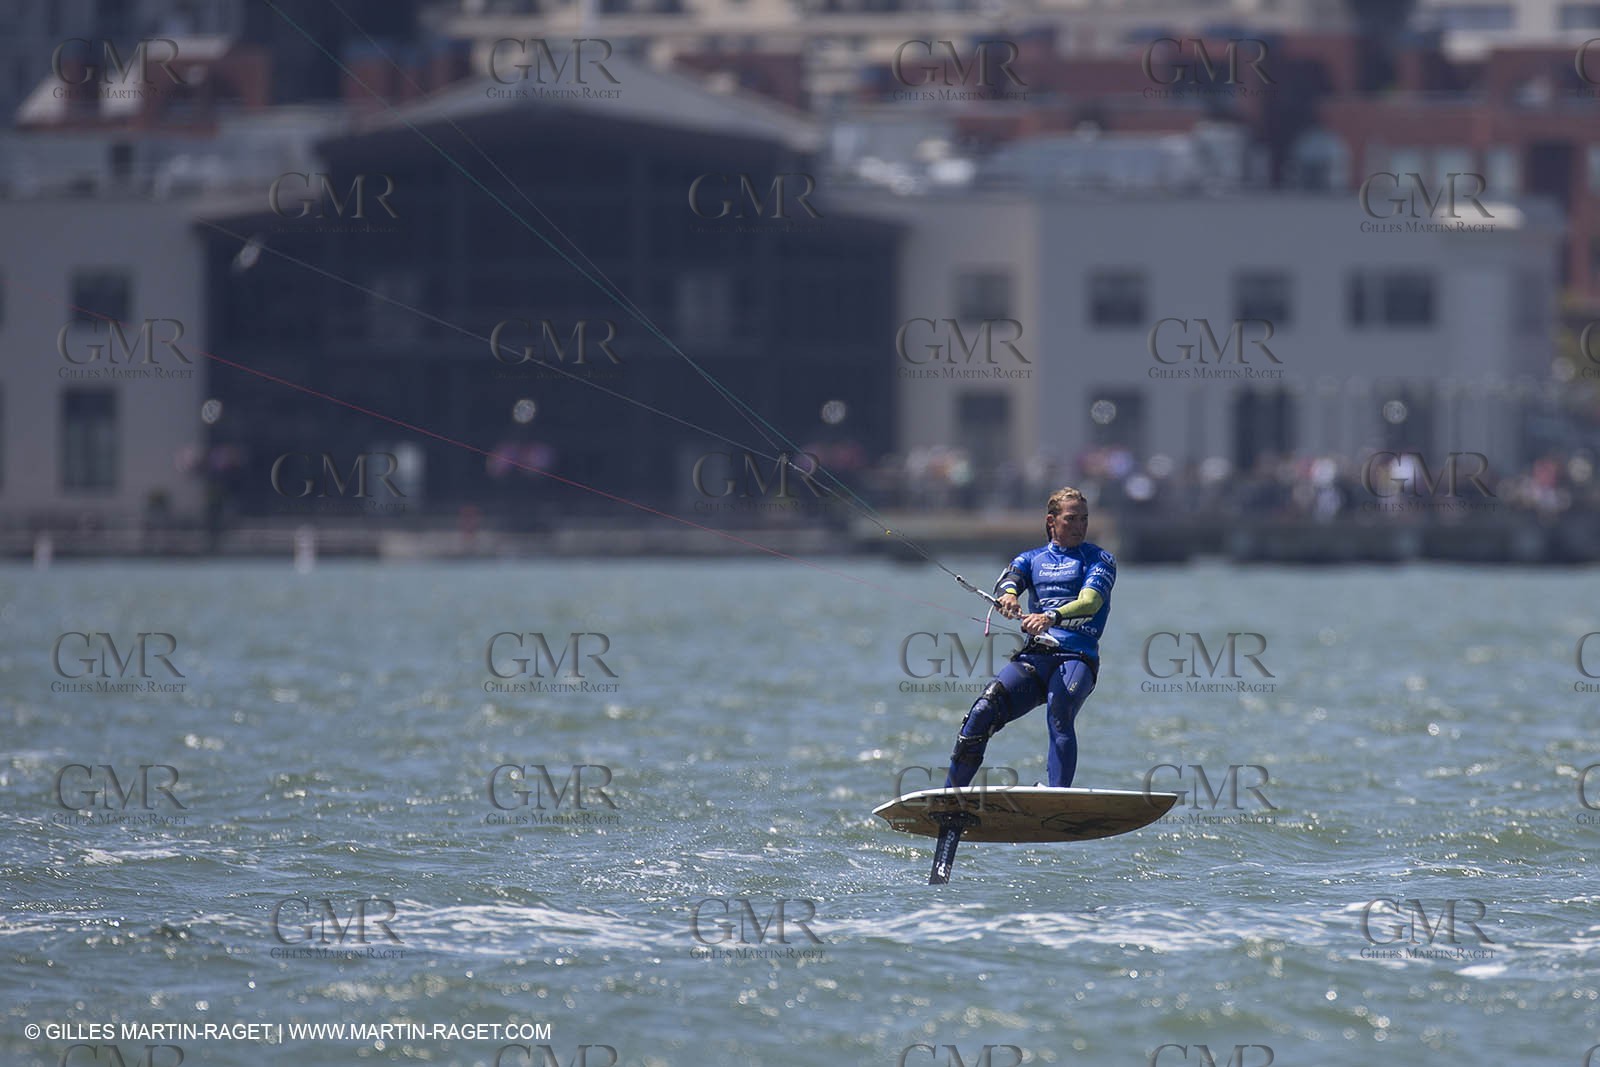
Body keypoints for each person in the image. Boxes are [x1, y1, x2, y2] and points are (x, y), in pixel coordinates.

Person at [945, 486, 1115, 790]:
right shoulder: (1031, 559)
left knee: (1059, 709)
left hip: (1077, 658)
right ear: (1052, 521)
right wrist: (1009, 596)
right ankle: (951, 798)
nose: (1080, 526)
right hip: (1037, 657)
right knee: (983, 711)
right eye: (1071, 519)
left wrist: (1050, 617)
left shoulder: (1099, 559)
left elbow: (1091, 602)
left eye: (1084, 519)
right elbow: (1009, 580)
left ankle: (1058, 794)